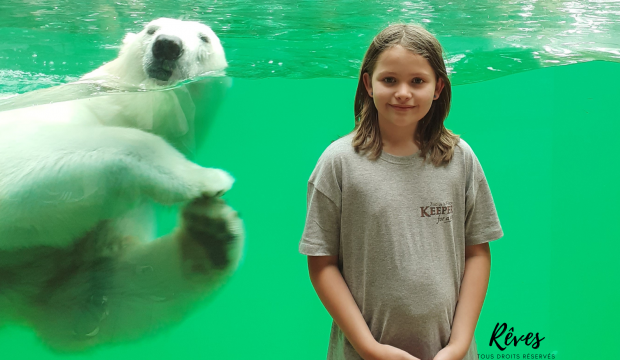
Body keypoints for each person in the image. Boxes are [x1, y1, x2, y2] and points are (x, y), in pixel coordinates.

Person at [299, 23, 504, 360]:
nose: (403, 93)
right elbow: (322, 264)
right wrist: (371, 349)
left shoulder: (461, 159)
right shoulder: (337, 163)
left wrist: (457, 347)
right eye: (390, 80)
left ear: (438, 87)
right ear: (368, 83)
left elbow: (477, 253)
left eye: (418, 81)